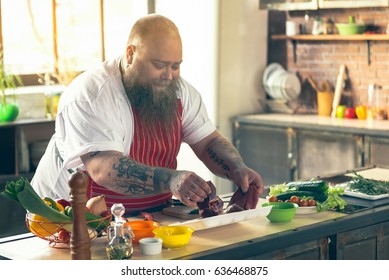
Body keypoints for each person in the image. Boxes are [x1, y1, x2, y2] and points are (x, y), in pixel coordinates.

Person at [31, 14, 264, 213]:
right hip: (67, 216)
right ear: (131, 54)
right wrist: (171, 179)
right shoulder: (92, 94)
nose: (169, 75)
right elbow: (103, 168)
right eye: (160, 65)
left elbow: (208, 141)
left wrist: (236, 168)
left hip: (147, 216)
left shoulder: (182, 93)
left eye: (175, 65)